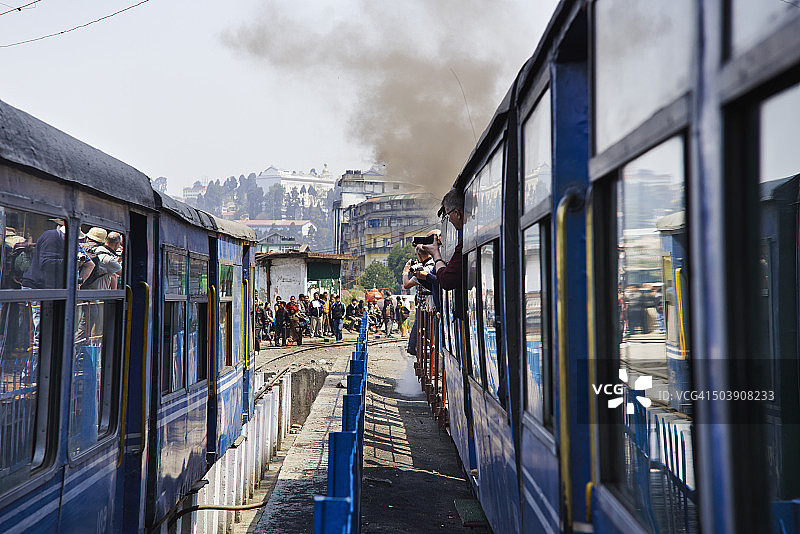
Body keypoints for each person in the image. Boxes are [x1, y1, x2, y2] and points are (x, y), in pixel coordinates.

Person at [423, 188, 464, 316]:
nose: (449, 220)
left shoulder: (464, 243)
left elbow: (447, 280)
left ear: (457, 213)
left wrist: (436, 254)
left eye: (448, 215)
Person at [404, 244, 436, 355]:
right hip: (428, 304)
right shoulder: (433, 264)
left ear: (418, 255)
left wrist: (405, 271)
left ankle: (413, 347)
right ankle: (417, 347)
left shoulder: (425, 268)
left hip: (427, 304)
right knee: (424, 327)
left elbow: (406, 284)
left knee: (423, 326)